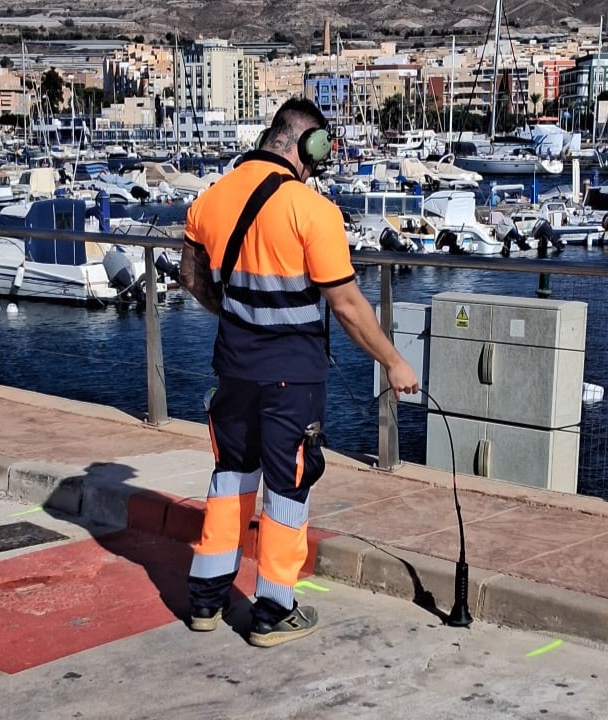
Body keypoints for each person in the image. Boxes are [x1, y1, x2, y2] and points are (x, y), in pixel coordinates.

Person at [178, 97, 419, 648]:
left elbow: (192, 276)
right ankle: (272, 611)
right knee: (287, 488)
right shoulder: (313, 211)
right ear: (308, 145)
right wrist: (394, 361)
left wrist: (239, 315)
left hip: (233, 370)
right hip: (294, 378)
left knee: (230, 479)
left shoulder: (210, 200)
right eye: (322, 151)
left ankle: (206, 601)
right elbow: (349, 306)